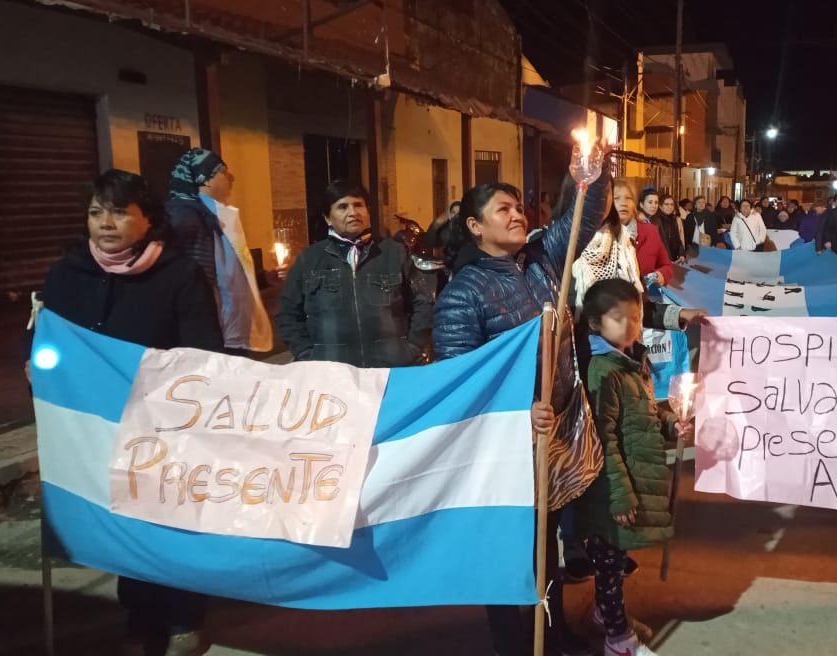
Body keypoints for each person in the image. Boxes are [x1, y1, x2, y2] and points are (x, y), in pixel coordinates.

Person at [41, 169, 223, 656]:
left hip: (163, 424)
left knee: (164, 519)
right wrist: (39, 365)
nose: (105, 223)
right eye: (97, 212)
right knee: (118, 518)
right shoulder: (66, 274)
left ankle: (184, 616)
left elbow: (204, 353)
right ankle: (141, 613)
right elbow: (46, 340)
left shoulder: (180, 274)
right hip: (92, 423)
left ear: (149, 220)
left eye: (120, 212)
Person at [433, 174, 610, 656]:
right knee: (504, 548)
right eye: (502, 210)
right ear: (474, 226)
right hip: (503, 446)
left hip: (550, 436)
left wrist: (592, 169)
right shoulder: (462, 294)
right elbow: (461, 386)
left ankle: (551, 633)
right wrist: (516, 412)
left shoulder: (541, 262)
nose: (517, 215)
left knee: (543, 546)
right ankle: (513, 642)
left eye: (518, 207)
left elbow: (585, 216)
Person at [577, 278, 693, 656]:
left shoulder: (632, 361)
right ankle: (617, 639)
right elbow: (603, 437)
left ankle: (607, 616)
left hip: (632, 483)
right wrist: (618, 494)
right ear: (595, 324)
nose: (631, 326)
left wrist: (668, 423)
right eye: (620, 318)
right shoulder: (603, 371)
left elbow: (642, 413)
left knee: (615, 564)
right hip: (610, 492)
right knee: (609, 565)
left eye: (637, 317)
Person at [276, 181, 433, 367]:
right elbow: (287, 314)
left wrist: (412, 348)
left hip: (390, 369)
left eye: (358, 205)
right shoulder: (309, 260)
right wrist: (307, 355)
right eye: (342, 207)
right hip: (332, 374)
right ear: (328, 218)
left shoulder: (394, 253)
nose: (353, 212)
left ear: (368, 212)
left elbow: (423, 302)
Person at [166, 148, 273, 355]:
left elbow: (227, 274)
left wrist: (261, 278)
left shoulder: (211, 215)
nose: (231, 177)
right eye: (223, 172)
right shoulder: (185, 218)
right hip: (208, 333)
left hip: (225, 328)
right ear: (205, 179)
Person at [655, 193, 686, 263]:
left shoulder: (673, 219)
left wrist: (681, 254)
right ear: (660, 206)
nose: (670, 207)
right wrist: (666, 259)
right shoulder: (656, 220)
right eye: (666, 204)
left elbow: (678, 238)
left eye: (672, 204)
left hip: (674, 258)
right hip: (662, 259)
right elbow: (658, 243)